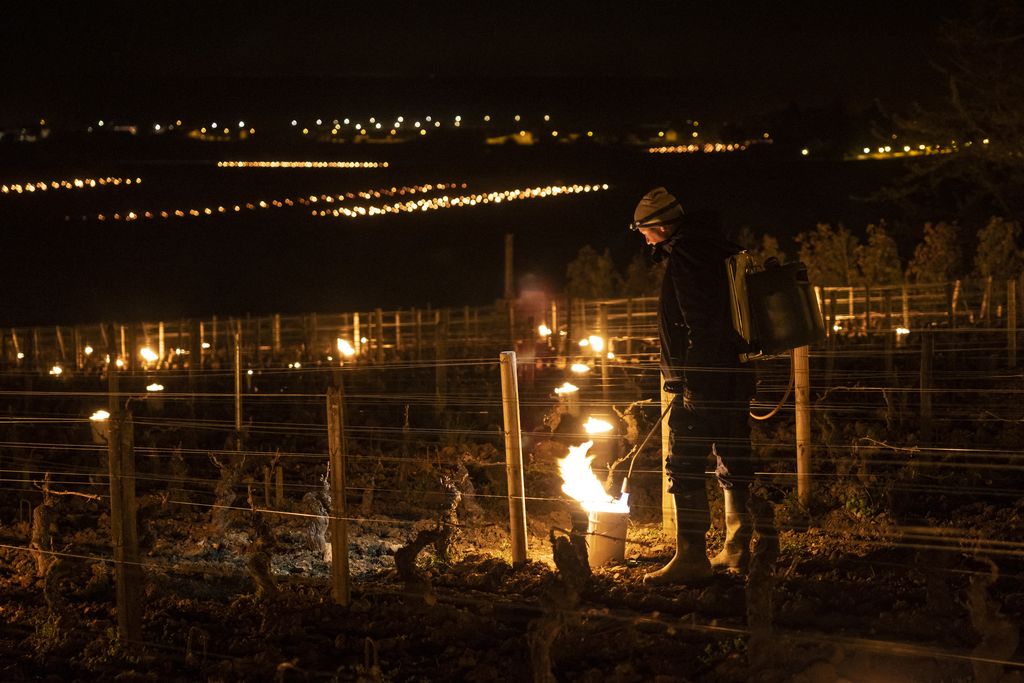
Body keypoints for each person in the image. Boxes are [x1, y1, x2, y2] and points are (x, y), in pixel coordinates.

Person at [629, 187, 757, 585]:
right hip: (733, 373)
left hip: (703, 378)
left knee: (684, 460)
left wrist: (692, 381)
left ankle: (691, 557)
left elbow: (700, 323)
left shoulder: (688, 255)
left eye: (644, 231)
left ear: (660, 226)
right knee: (733, 452)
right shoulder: (716, 247)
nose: (645, 240)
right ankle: (738, 547)